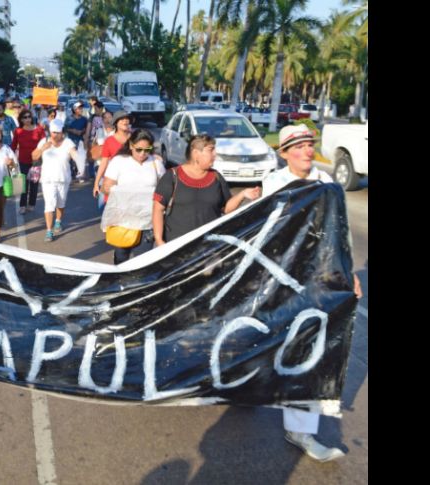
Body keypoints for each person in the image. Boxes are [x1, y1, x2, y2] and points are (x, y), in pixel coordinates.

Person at [262, 124, 362, 462]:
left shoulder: (326, 183)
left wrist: (348, 272)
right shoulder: (274, 183)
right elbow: (265, 232)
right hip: (281, 276)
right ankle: (245, 387)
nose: (308, 150)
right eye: (300, 146)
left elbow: (339, 231)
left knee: (311, 347)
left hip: (319, 276)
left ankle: (300, 429)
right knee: (274, 343)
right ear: (285, 153)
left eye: (310, 145)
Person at [152, 134, 260, 245]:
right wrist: (159, 241)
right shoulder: (172, 176)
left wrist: (243, 194)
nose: (215, 154)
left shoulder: (216, 177)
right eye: (210, 150)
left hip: (209, 246)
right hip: (177, 245)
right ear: (195, 153)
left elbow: (227, 209)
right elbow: (158, 209)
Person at [102, 129, 166, 264]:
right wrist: (109, 188)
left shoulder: (156, 163)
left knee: (142, 261)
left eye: (147, 150)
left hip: (147, 221)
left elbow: (164, 189)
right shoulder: (119, 161)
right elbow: (106, 187)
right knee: (121, 260)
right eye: (139, 149)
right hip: (123, 221)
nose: (142, 154)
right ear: (131, 145)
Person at [31, 119, 82, 242]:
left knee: (61, 203)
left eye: (57, 133)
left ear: (62, 132)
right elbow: (34, 156)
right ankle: (49, 231)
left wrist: (79, 159)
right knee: (49, 205)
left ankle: (58, 221)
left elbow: (74, 154)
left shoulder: (68, 142)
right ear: (50, 132)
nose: (55, 135)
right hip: (48, 179)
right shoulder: (44, 141)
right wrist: (42, 149)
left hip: (63, 178)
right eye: (53, 132)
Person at [11, 108, 46, 214]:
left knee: (34, 184)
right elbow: (13, 145)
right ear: (21, 119)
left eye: (29, 117)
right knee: (23, 185)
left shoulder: (39, 129)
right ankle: (22, 205)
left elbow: (45, 144)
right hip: (22, 161)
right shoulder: (18, 131)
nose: (27, 119)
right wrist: (10, 158)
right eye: (24, 117)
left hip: (36, 161)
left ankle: (31, 204)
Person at [93, 110, 133, 199]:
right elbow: (104, 162)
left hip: (131, 181)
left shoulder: (135, 138)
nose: (125, 121)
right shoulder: (109, 141)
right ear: (116, 123)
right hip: (113, 181)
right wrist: (96, 183)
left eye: (127, 119)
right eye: (122, 119)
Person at [66, 101, 89, 180]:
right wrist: (73, 131)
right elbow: (65, 128)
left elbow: (87, 129)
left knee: (79, 158)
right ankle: (71, 173)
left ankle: (78, 173)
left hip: (80, 141)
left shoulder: (84, 119)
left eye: (81, 108)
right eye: (79, 108)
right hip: (71, 141)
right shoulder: (69, 118)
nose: (81, 110)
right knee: (70, 158)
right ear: (74, 109)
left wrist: (82, 131)